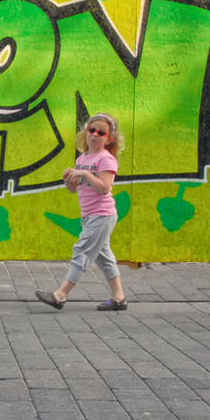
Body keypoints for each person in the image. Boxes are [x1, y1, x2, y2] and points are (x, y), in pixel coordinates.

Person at [35, 113, 128, 311]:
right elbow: (74, 189)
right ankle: (119, 299)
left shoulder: (106, 160)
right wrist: (68, 179)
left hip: (102, 215)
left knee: (82, 252)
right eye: (91, 130)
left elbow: (104, 187)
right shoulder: (83, 158)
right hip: (89, 215)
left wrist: (86, 173)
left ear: (109, 139)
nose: (94, 135)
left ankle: (60, 295)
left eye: (101, 133)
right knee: (104, 257)